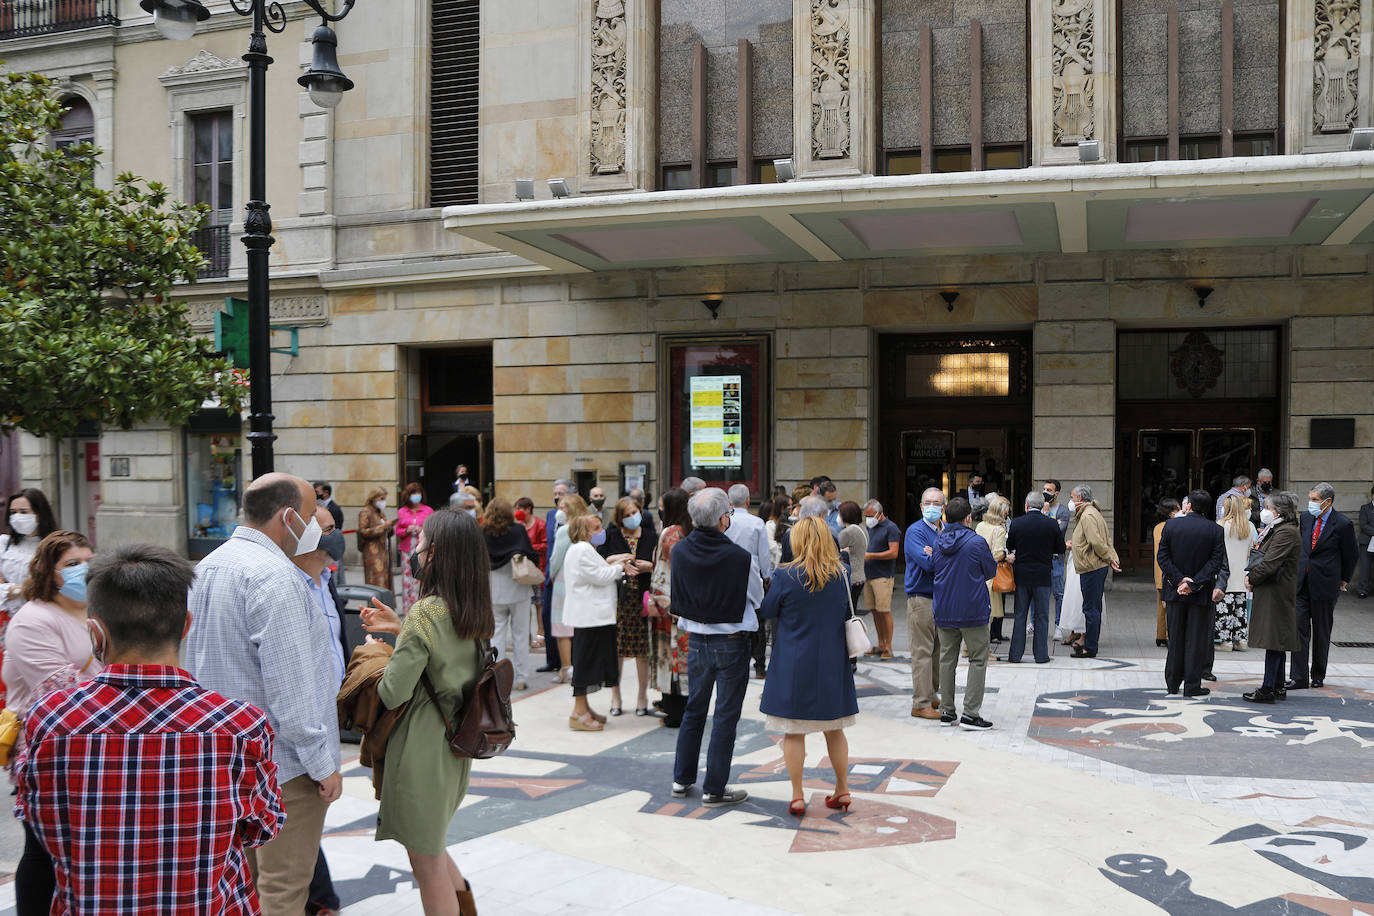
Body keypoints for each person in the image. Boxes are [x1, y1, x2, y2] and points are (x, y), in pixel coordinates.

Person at [16, 544, 285, 916]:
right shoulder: (241, 726)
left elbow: (40, 831)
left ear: (96, 633)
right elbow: (262, 829)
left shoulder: (51, 720)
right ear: (187, 625)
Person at [186, 473, 342, 916]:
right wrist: (322, 763)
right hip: (283, 768)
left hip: (222, 759)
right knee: (283, 890)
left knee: (240, 888)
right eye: (313, 515)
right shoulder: (276, 578)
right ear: (289, 518)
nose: (317, 525)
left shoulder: (205, 568)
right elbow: (291, 691)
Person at [358, 510, 487, 916]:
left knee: (425, 864)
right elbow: (445, 661)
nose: (415, 549)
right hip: (454, 744)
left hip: (422, 748)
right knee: (433, 846)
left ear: (437, 554)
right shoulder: (471, 608)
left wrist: (375, 655)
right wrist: (402, 631)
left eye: (420, 543)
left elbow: (393, 691)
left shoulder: (427, 610)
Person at [3, 530, 98, 916]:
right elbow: (60, 689)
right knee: (42, 850)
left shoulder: (95, 610)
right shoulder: (32, 620)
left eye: (88, 561)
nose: (83, 570)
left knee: (80, 849)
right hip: (45, 750)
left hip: (94, 741)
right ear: (49, 571)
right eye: (71, 564)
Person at [759, 516, 858, 817]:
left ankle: (798, 795)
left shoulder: (785, 575)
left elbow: (767, 610)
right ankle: (842, 789)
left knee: (793, 732)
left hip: (792, 662)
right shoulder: (842, 573)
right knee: (835, 730)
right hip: (832, 661)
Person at [669, 487, 760, 807]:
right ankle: (715, 787)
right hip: (731, 640)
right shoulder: (739, 557)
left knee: (694, 708)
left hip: (696, 640)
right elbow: (757, 598)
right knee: (725, 715)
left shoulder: (679, 551)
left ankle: (681, 778)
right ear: (724, 518)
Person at [292, 505, 348, 916]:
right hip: (301, 733)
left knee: (310, 828)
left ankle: (320, 899)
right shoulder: (289, 586)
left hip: (328, 717)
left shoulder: (325, 580)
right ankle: (322, 901)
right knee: (301, 832)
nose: (335, 536)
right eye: (327, 530)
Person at [932, 497, 996, 730]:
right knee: (978, 659)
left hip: (944, 608)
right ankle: (970, 713)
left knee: (947, 659)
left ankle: (947, 711)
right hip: (972, 609)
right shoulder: (977, 542)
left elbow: (933, 567)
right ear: (969, 517)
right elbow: (990, 570)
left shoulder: (938, 541)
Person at [563, 514, 631, 731]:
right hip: (589, 617)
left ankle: (584, 708)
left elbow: (598, 570)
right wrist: (620, 567)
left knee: (589, 661)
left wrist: (615, 562)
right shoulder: (582, 550)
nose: (601, 531)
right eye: (596, 528)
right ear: (584, 531)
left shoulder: (584, 550)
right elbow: (600, 576)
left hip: (593, 616)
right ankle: (579, 712)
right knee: (585, 663)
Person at [1157, 489, 1227, 697]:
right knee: (1195, 640)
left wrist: (1180, 580)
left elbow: (1163, 557)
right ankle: (1192, 685)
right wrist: (1194, 583)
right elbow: (1216, 563)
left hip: (1175, 590)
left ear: (1188, 505)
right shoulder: (1215, 530)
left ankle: (1172, 683)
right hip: (1200, 592)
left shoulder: (1171, 525)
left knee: (1176, 637)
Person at [1288, 482, 1358, 690]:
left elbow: (1351, 554)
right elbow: (1303, 546)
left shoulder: (1343, 524)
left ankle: (1318, 674)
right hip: (1302, 582)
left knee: (1321, 631)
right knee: (1299, 628)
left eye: (1315, 500)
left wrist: (1344, 579)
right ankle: (1298, 677)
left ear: (1327, 502)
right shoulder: (1307, 518)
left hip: (1326, 583)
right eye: (1310, 499)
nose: (1311, 503)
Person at [599, 497, 659, 716]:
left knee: (643, 650)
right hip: (618, 599)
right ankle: (616, 696)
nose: (632, 517)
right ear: (619, 517)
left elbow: (661, 565)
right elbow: (600, 560)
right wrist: (619, 559)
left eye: (634, 512)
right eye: (627, 514)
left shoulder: (651, 536)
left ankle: (642, 697)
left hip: (643, 599)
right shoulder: (611, 535)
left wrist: (649, 567)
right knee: (618, 650)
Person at [1242, 491, 1303, 703]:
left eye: (1268, 507)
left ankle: (1268, 688)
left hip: (1276, 591)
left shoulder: (1286, 532)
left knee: (1274, 639)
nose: (1265, 511)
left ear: (1278, 511)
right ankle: (1276, 686)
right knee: (1276, 640)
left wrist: (1252, 578)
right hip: (1272, 589)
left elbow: (1271, 562)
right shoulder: (1280, 528)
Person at [1, 488, 58, 707]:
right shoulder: (4, 543)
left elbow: (50, 587)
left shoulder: (53, 545)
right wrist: (25, 589)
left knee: (38, 675)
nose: (17, 516)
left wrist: (10, 589)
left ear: (39, 513)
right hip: (7, 620)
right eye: (13, 511)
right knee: (10, 678)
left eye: (24, 511)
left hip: (43, 620)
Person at [481, 498, 539, 692]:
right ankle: (521, 677)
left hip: (493, 588)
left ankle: (498, 677)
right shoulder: (518, 530)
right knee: (521, 636)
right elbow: (532, 555)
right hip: (518, 585)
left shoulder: (483, 531)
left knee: (497, 635)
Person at [646, 488, 693, 724]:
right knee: (684, 661)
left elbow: (663, 571)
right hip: (689, 604)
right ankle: (679, 706)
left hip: (669, 606)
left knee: (670, 659)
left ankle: (674, 712)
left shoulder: (670, 532)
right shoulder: (691, 529)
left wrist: (658, 598)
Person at [1004, 492, 1066, 664]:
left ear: (1026, 505)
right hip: (1043, 575)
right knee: (1042, 616)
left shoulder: (1017, 523)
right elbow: (1060, 548)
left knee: (1020, 615)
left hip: (1022, 575)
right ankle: (1041, 655)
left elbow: (1010, 545)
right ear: (1042, 505)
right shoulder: (1051, 524)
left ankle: (1015, 655)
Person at [904, 487, 945, 721]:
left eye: (936, 502)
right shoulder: (915, 532)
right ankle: (920, 703)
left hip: (942, 598)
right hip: (921, 598)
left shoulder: (946, 530)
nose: (932, 506)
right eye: (927, 502)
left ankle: (931, 694)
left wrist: (935, 553)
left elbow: (949, 561)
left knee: (938, 650)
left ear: (943, 507)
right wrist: (942, 554)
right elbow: (928, 564)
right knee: (922, 651)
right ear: (921, 507)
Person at [1068, 485, 1122, 659]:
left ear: (1081, 498)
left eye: (1073, 497)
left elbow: (1098, 542)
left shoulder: (1088, 515)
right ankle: (1089, 644)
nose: (1071, 501)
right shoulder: (1091, 513)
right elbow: (1105, 540)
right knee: (1092, 608)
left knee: (1091, 609)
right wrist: (1111, 558)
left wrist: (1109, 558)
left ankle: (1090, 647)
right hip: (1092, 566)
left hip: (1092, 567)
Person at [724, 485, 771, 678]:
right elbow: (764, 554)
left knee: (731, 617)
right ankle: (759, 665)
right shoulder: (757, 522)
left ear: (729, 501)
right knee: (758, 619)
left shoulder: (725, 521)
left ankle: (733, 660)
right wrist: (767, 575)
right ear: (748, 500)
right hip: (752, 573)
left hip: (727, 576)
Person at [547, 493, 592, 684]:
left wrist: (550, 575)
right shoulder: (588, 527)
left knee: (561, 626)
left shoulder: (564, 530)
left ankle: (566, 668)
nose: (559, 510)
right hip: (583, 580)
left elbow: (556, 558)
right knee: (579, 626)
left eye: (563, 506)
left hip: (564, 580)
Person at [538, 479, 573, 673]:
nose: (557, 496)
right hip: (551, 572)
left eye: (561, 493)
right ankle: (552, 660)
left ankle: (567, 660)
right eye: (555, 493)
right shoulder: (551, 515)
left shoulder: (574, 519)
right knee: (547, 615)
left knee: (565, 620)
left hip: (565, 574)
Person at [1216, 493, 1258, 651]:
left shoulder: (1220, 525)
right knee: (1240, 610)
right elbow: (1249, 552)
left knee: (1224, 610)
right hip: (1242, 575)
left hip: (1225, 576)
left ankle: (1225, 641)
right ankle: (1240, 641)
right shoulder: (1247, 527)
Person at [861, 500, 901, 659]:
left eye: (871, 515)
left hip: (883, 576)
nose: (868, 518)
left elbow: (893, 553)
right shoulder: (869, 528)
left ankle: (888, 647)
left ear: (879, 513)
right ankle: (880, 644)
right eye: (866, 516)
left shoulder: (891, 528)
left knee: (884, 612)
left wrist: (871, 556)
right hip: (869, 574)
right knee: (874, 611)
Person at [975, 495, 1011, 645]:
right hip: (992, 574)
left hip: (978, 572)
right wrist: (1006, 555)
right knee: (991, 612)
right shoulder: (1000, 530)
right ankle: (985, 646)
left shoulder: (980, 525)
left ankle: (974, 645)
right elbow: (997, 554)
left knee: (979, 611)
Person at [515, 496, 547, 650]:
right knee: (524, 604)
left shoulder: (540, 524)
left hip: (536, 569)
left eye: (519, 509)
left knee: (539, 604)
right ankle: (525, 635)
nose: (517, 512)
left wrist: (529, 547)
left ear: (528, 509)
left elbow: (545, 545)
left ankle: (540, 633)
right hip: (521, 570)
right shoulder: (519, 526)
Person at [397, 482, 435, 615]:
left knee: (421, 578)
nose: (416, 496)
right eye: (413, 493)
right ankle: (407, 610)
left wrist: (422, 530)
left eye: (418, 493)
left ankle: (421, 608)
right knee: (407, 580)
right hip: (407, 549)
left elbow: (433, 529)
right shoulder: (402, 511)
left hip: (422, 549)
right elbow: (398, 531)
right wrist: (407, 530)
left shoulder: (428, 510)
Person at [1152, 499, 1181, 648]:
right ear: (1171, 512)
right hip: (1168, 571)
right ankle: (1170, 635)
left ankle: (1161, 635)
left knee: (1160, 605)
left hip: (1159, 571)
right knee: (1169, 605)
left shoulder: (1158, 527)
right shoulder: (1171, 527)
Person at [1042, 479, 1071, 624]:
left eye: (1049, 490)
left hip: (1056, 558)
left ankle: (1058, 624)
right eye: (1044, 489)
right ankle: (1034, 623)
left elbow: (1056, 533)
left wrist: (1046, 515)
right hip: (1041, 557)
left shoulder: (1063, 511)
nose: (1045, 492)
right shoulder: (1038, 508)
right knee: (1039, 594)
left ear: (1056, 493)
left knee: (1058, 593)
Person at [358, 486, 395, 592]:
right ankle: (375, 606)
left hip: (384, 551)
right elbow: (363, 532)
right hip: (373, 553)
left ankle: (386, 606)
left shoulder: (380, 512)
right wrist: (382, 527)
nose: (383, 502)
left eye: (385, 499)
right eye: (381, 499)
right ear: (374, 498)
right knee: (376, 581)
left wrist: (390, 527)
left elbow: (387, 531)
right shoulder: (365, 512)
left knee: (386, 580)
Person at [1356, 484, 1373, 599]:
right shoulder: (1365, 508)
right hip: (1366, 542)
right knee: (1365, 567)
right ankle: (1362, 590)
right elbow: (1363, 525)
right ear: (1372, 495)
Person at [766, 495, 791, 572]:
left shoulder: (790, 523)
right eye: (789, 506)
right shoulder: (770, 525)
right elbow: (772, 547)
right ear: (782, 508)